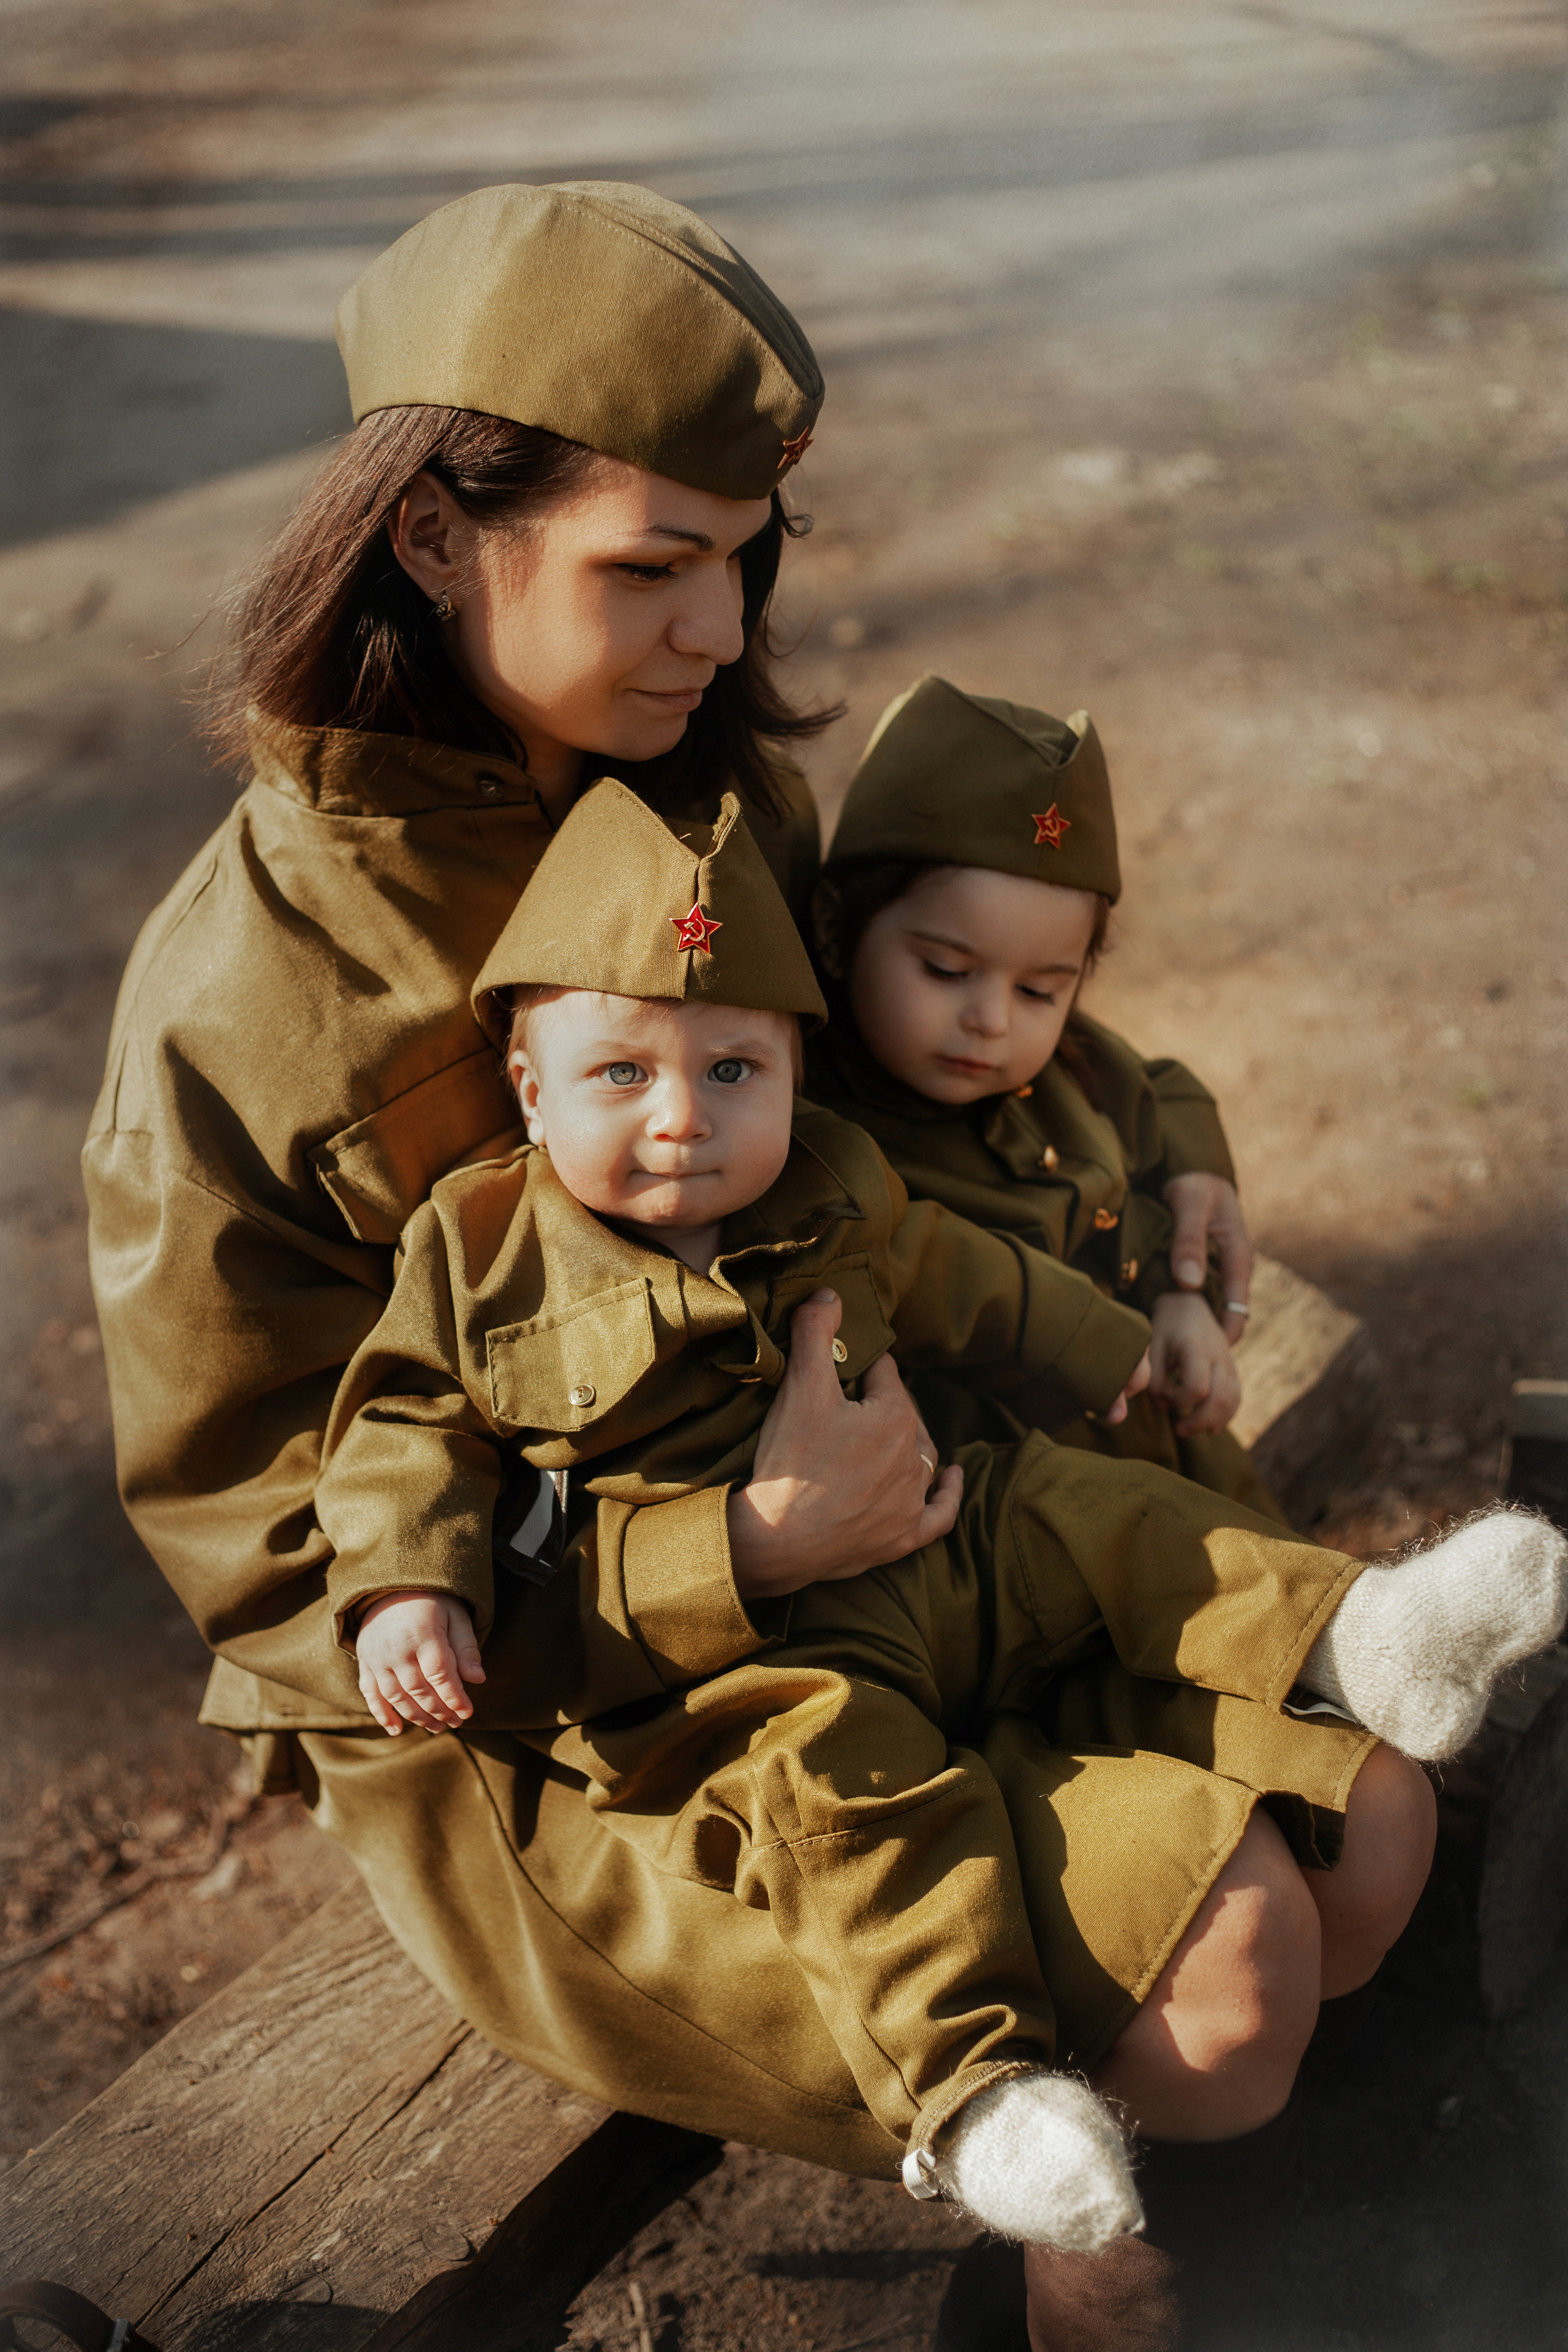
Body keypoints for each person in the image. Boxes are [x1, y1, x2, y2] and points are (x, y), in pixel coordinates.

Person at [76, 183, 1514, 2348]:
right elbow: (287, 1584)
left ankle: (1148, 2201)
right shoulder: (238, 1013)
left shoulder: (701, 792)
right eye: (651, 566)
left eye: (746, 561)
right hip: (598, 1716)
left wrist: (1164, 1157)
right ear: (433, 535)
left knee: (1374, 1826)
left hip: (932, 1512)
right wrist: (735, 1553)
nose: (718, 630)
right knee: (1231, 1997)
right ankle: (1081, 2243)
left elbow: (919, 1046)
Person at [317, 778, 1562, 2303]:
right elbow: (399, 1431)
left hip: (944, 1536)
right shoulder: (474, 1254)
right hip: (772, 1655)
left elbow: (964, 1272)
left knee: (1092, 1510)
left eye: (730, 1069)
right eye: (619, 1074)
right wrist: (407, 1587)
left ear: (792, 1069)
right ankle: (980, 2095)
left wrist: (1113, 1342)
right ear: (528, 1085)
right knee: (852, 1807)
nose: (681, 1117)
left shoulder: (831, 1179)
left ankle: (1358, 1633)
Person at [808, 672, 1280, 1514]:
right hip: (1015, 1500)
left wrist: (1181, 1296)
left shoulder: (1060, 1067)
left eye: (1041, 990)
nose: (991, 1022)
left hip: (1170, 1444)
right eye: (946, 970)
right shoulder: (814, 1123)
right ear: (836, 928)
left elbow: (1154, 1096)